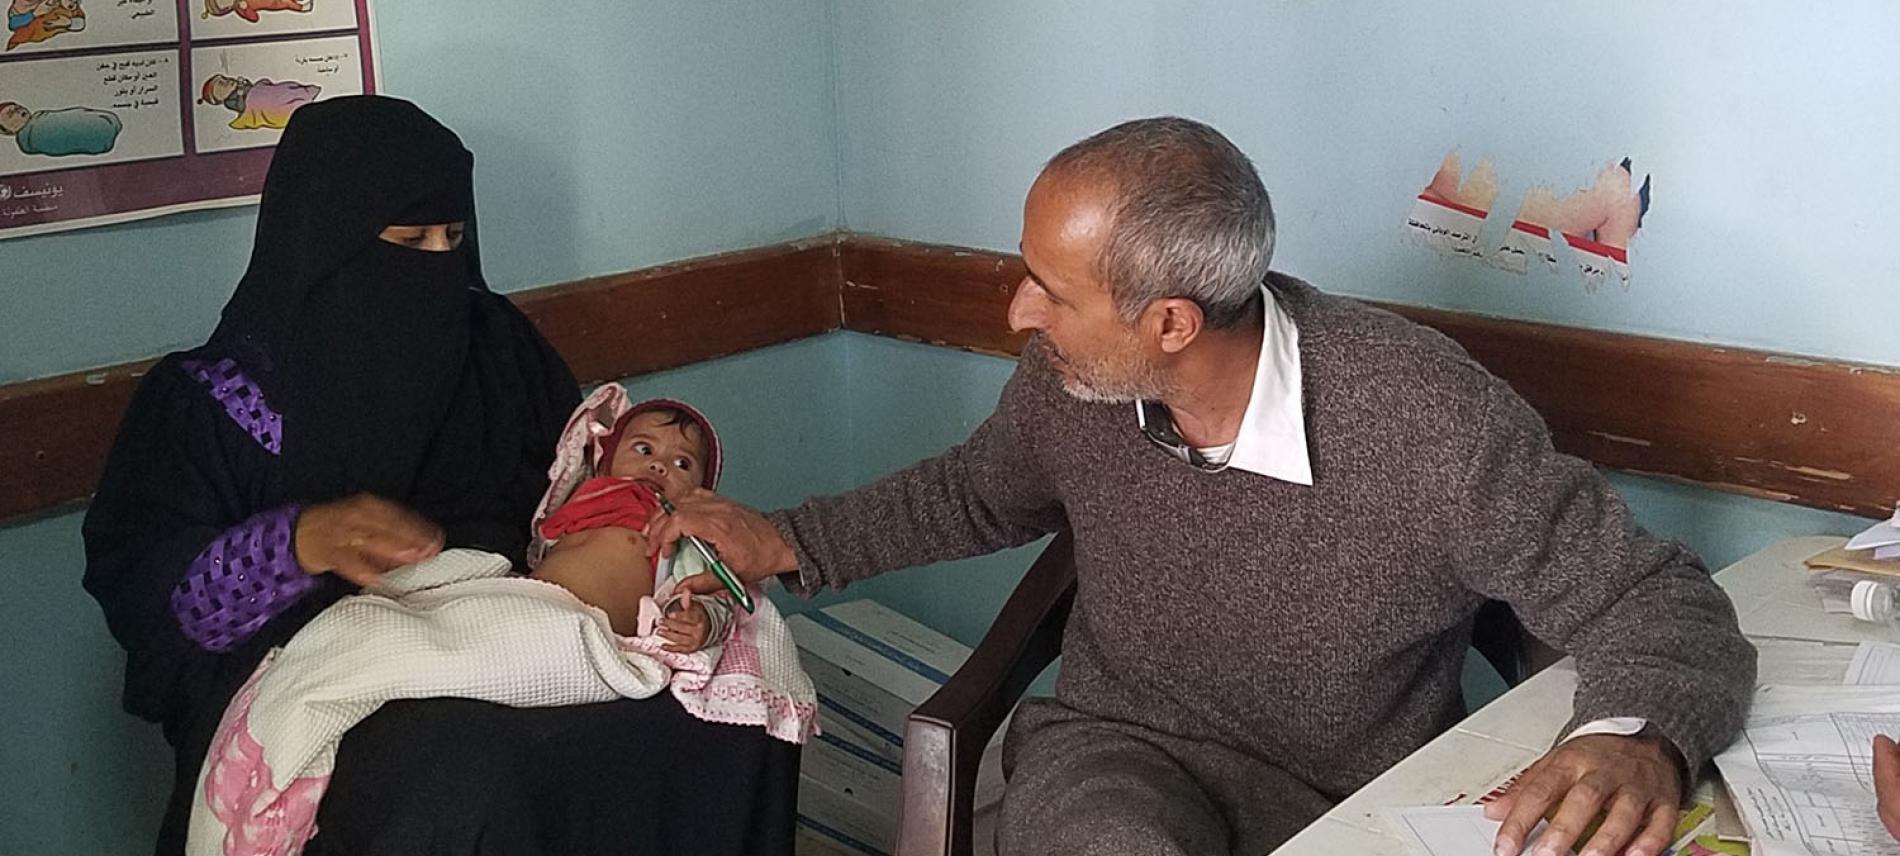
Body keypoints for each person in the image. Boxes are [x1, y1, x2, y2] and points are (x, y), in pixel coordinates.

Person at [651, 117, 1757, 856]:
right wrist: (784, 537)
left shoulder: (1425, 419)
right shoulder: (1070, 385)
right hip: (1116, 752)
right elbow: (975, 493)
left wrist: (1636, 732)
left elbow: (1655, 603)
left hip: (1341, 795)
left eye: (1049, 289)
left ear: (1170, 322)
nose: (1017, 315)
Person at [84, 95, 797, 855]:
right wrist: (298, 542)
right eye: (406, 239)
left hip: (521, 619)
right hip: (314, 661)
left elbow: (570, 492)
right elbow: (155, 608)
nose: (434, 265)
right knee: (467, 775)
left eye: (453, 238)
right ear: (323, 240)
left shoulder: (493, 347)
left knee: (734, 703)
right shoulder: (212, 401)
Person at [533, 399, 733, 647]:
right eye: (644, 449)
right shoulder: (585, 492)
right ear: (606, 462)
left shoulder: (677, 530)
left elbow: (715, 593)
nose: (659, 465)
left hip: (587, 634)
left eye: (682, 463)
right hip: (524, 600)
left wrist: (700, 619)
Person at [0, 100, 121, 156]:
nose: (18, 111)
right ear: (8, 131)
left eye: (17, 107)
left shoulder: (39, 119)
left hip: (103, 125)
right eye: (11, 114)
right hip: (102, 129)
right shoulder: (34, 135)